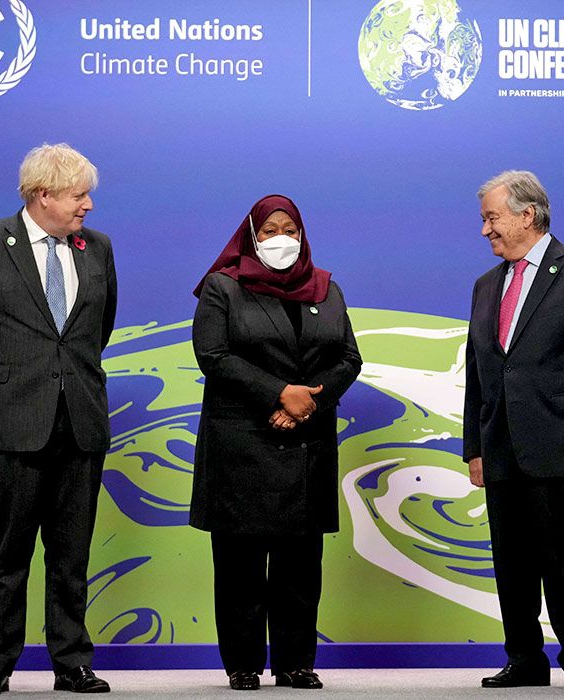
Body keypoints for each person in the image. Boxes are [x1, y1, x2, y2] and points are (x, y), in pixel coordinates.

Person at [0, 144, 117, 695]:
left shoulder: (97, 248)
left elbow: (98, 328)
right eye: (78, 194)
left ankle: (72, 662)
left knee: (72, 553)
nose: (87, 205)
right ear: (44, 196)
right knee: (9, 551)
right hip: (10, 424)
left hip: (80, 422)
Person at [190, 194, 362, 691]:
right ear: (251, 235)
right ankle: (242, 663)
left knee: (300, 565)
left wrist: (309, 401)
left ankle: (295, 663)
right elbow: (214, 356)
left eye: (290, 229)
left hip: (307, 442)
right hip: (242, 444)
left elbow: (349, 358)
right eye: (269, 231)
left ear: (303, 234)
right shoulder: (223, 288)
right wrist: (278, 394)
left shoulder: (327, 289)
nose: (280, 238)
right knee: (241, 565)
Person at [462, 171, 564, 692]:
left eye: (492, 217)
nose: (485, 230)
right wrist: (475, 446)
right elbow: (479, 371)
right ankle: (524, 659)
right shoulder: (486, 285)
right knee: (511, 565)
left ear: (526, 215)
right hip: (501, 446)